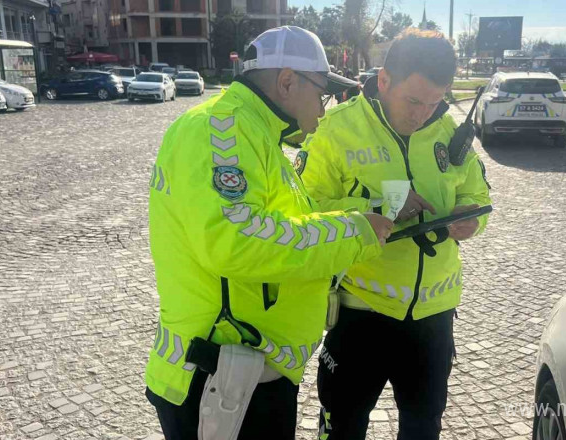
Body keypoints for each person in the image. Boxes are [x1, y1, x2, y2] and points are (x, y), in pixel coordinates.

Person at [144, 26, 394, 440]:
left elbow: (284, 220)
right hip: (221, 378)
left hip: (244, 372)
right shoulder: (223, 130)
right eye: (322, 93)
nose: (324, 107)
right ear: (286, 82)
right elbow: (236, 239)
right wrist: (353, 232)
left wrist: (363, 214)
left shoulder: (254, 133)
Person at [296, 29, 492, 440]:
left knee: (423, 427)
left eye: (436, 101)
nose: (423, 113)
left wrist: (469, 218)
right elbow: (303, 211)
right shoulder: (336, 129)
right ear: (384, 81)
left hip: (433, 318)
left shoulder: (448, 132)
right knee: (342, 426)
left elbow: (476, 192)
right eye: (414, 100)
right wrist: (382, 206)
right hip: (361, 314)